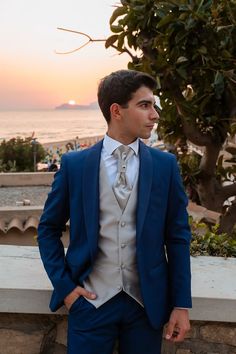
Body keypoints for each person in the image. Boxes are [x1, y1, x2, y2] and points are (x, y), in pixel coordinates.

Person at [38, 69, 192, 354]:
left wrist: (181, 304)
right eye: (145, 105)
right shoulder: (75, 164)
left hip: (147, 307)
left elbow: (178, 236)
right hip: (90, 304)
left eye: (154, 105)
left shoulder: (164, 166)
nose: (155, 114)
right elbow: (48, 229)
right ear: (116, 111)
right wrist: (67, 290)